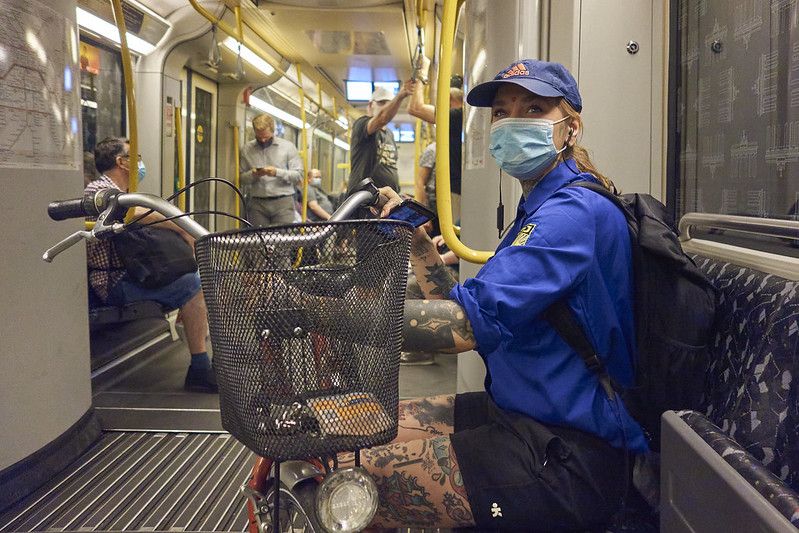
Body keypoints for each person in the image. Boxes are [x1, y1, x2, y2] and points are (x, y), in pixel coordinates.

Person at [350, 59, 648, 530]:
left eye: (533, 108)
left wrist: (322, 314)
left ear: (569, 129)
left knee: (352, 481)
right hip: (516, 412)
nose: (513, 122)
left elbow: (464, 329)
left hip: (569, 453)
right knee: (356, 432)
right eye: (502, 113)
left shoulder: (571, 213)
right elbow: (461, 308)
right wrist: (419, 245)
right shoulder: (540, 206)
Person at [85, 137, 217, 393]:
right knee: (194, 285)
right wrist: (181, 228)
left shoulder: (123, 192)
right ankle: (200, 369)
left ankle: (201, 339)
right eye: (135, 157)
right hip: (112, 282)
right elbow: (133, 213)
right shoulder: (97, 191)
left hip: (131, 273)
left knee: (195, 276)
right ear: (121, 162)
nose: (140, 163)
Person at [407, 82, 464, 223]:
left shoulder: (458, 116)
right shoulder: (460, 122)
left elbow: (415, 108)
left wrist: (420, 78)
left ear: (448, 99)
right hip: (459, 190)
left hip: (456, 191)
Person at [239, 114, 303, 227]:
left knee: (282, 240)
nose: (263, 140)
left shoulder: (288, 147)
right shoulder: (247, 150)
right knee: (258, 240)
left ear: (273, 131)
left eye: (266, 137)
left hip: (283, 202)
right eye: (259, 138)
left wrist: (277, 172)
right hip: (257, 203)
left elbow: (298, 175)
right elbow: (241, 179)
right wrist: (254, 174)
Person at [347, 84, 412, 193]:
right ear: (370, 105)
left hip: (387, 199)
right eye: (381, 103)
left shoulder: (389, 134)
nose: (385, 107)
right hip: (365, 199)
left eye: (389, 104)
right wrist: (400, 96)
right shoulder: (361, 124)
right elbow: (382, 118)